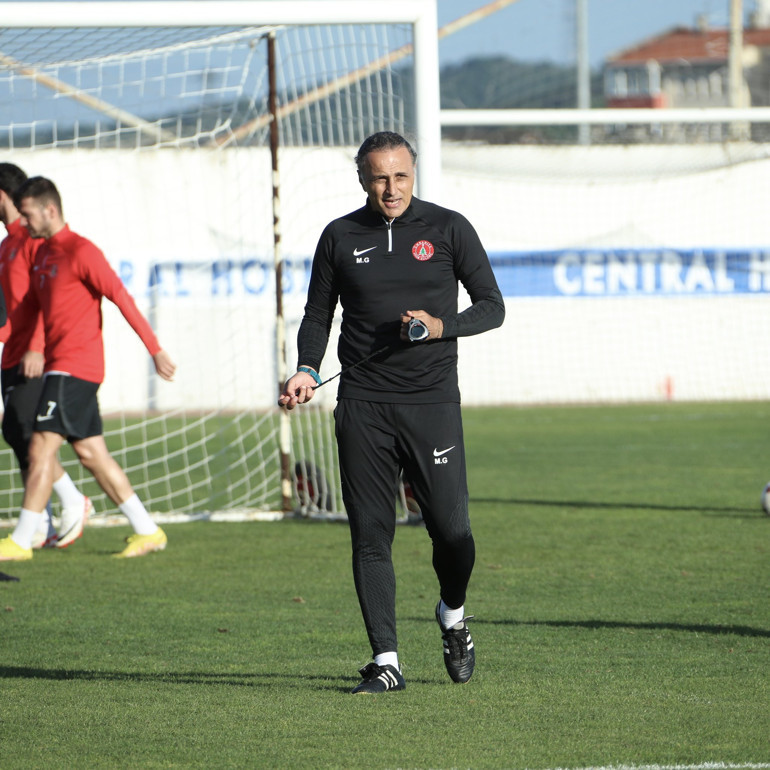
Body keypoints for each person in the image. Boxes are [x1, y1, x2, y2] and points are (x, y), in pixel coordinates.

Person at [279, 131, 505, 693]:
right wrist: (307, 369)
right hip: (362, 405)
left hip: (432, 404)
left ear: (414, 174)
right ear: (362, 179)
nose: (391, 188)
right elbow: (317, 315)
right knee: (371, 535)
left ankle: (453, 614)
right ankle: (386, 662)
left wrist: (439, 327)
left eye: (400, 176)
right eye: (379, 177)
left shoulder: (449, 227)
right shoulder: (339, 235)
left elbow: (492, 307)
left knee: (453, 533)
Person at [0, 176, 176, 562]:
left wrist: (155, 349)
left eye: (28, 215)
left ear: (50, 210)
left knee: (41, 444)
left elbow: (121, 297)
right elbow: (29, 309)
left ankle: (22, 539)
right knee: (92, 454)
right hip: (60, 368)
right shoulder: (43, 254)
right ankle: (148, 530)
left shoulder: (82, 251)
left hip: (75, 367)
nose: (23, 223)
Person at [0, 163, 93, 551]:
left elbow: (44, 299)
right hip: (12, 353)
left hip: (34, 355)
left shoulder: (33, 239)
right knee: (18, 434)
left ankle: (68, 503)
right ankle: (44, 520)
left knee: (30, 433)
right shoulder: (8, 243)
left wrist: (38, 344)